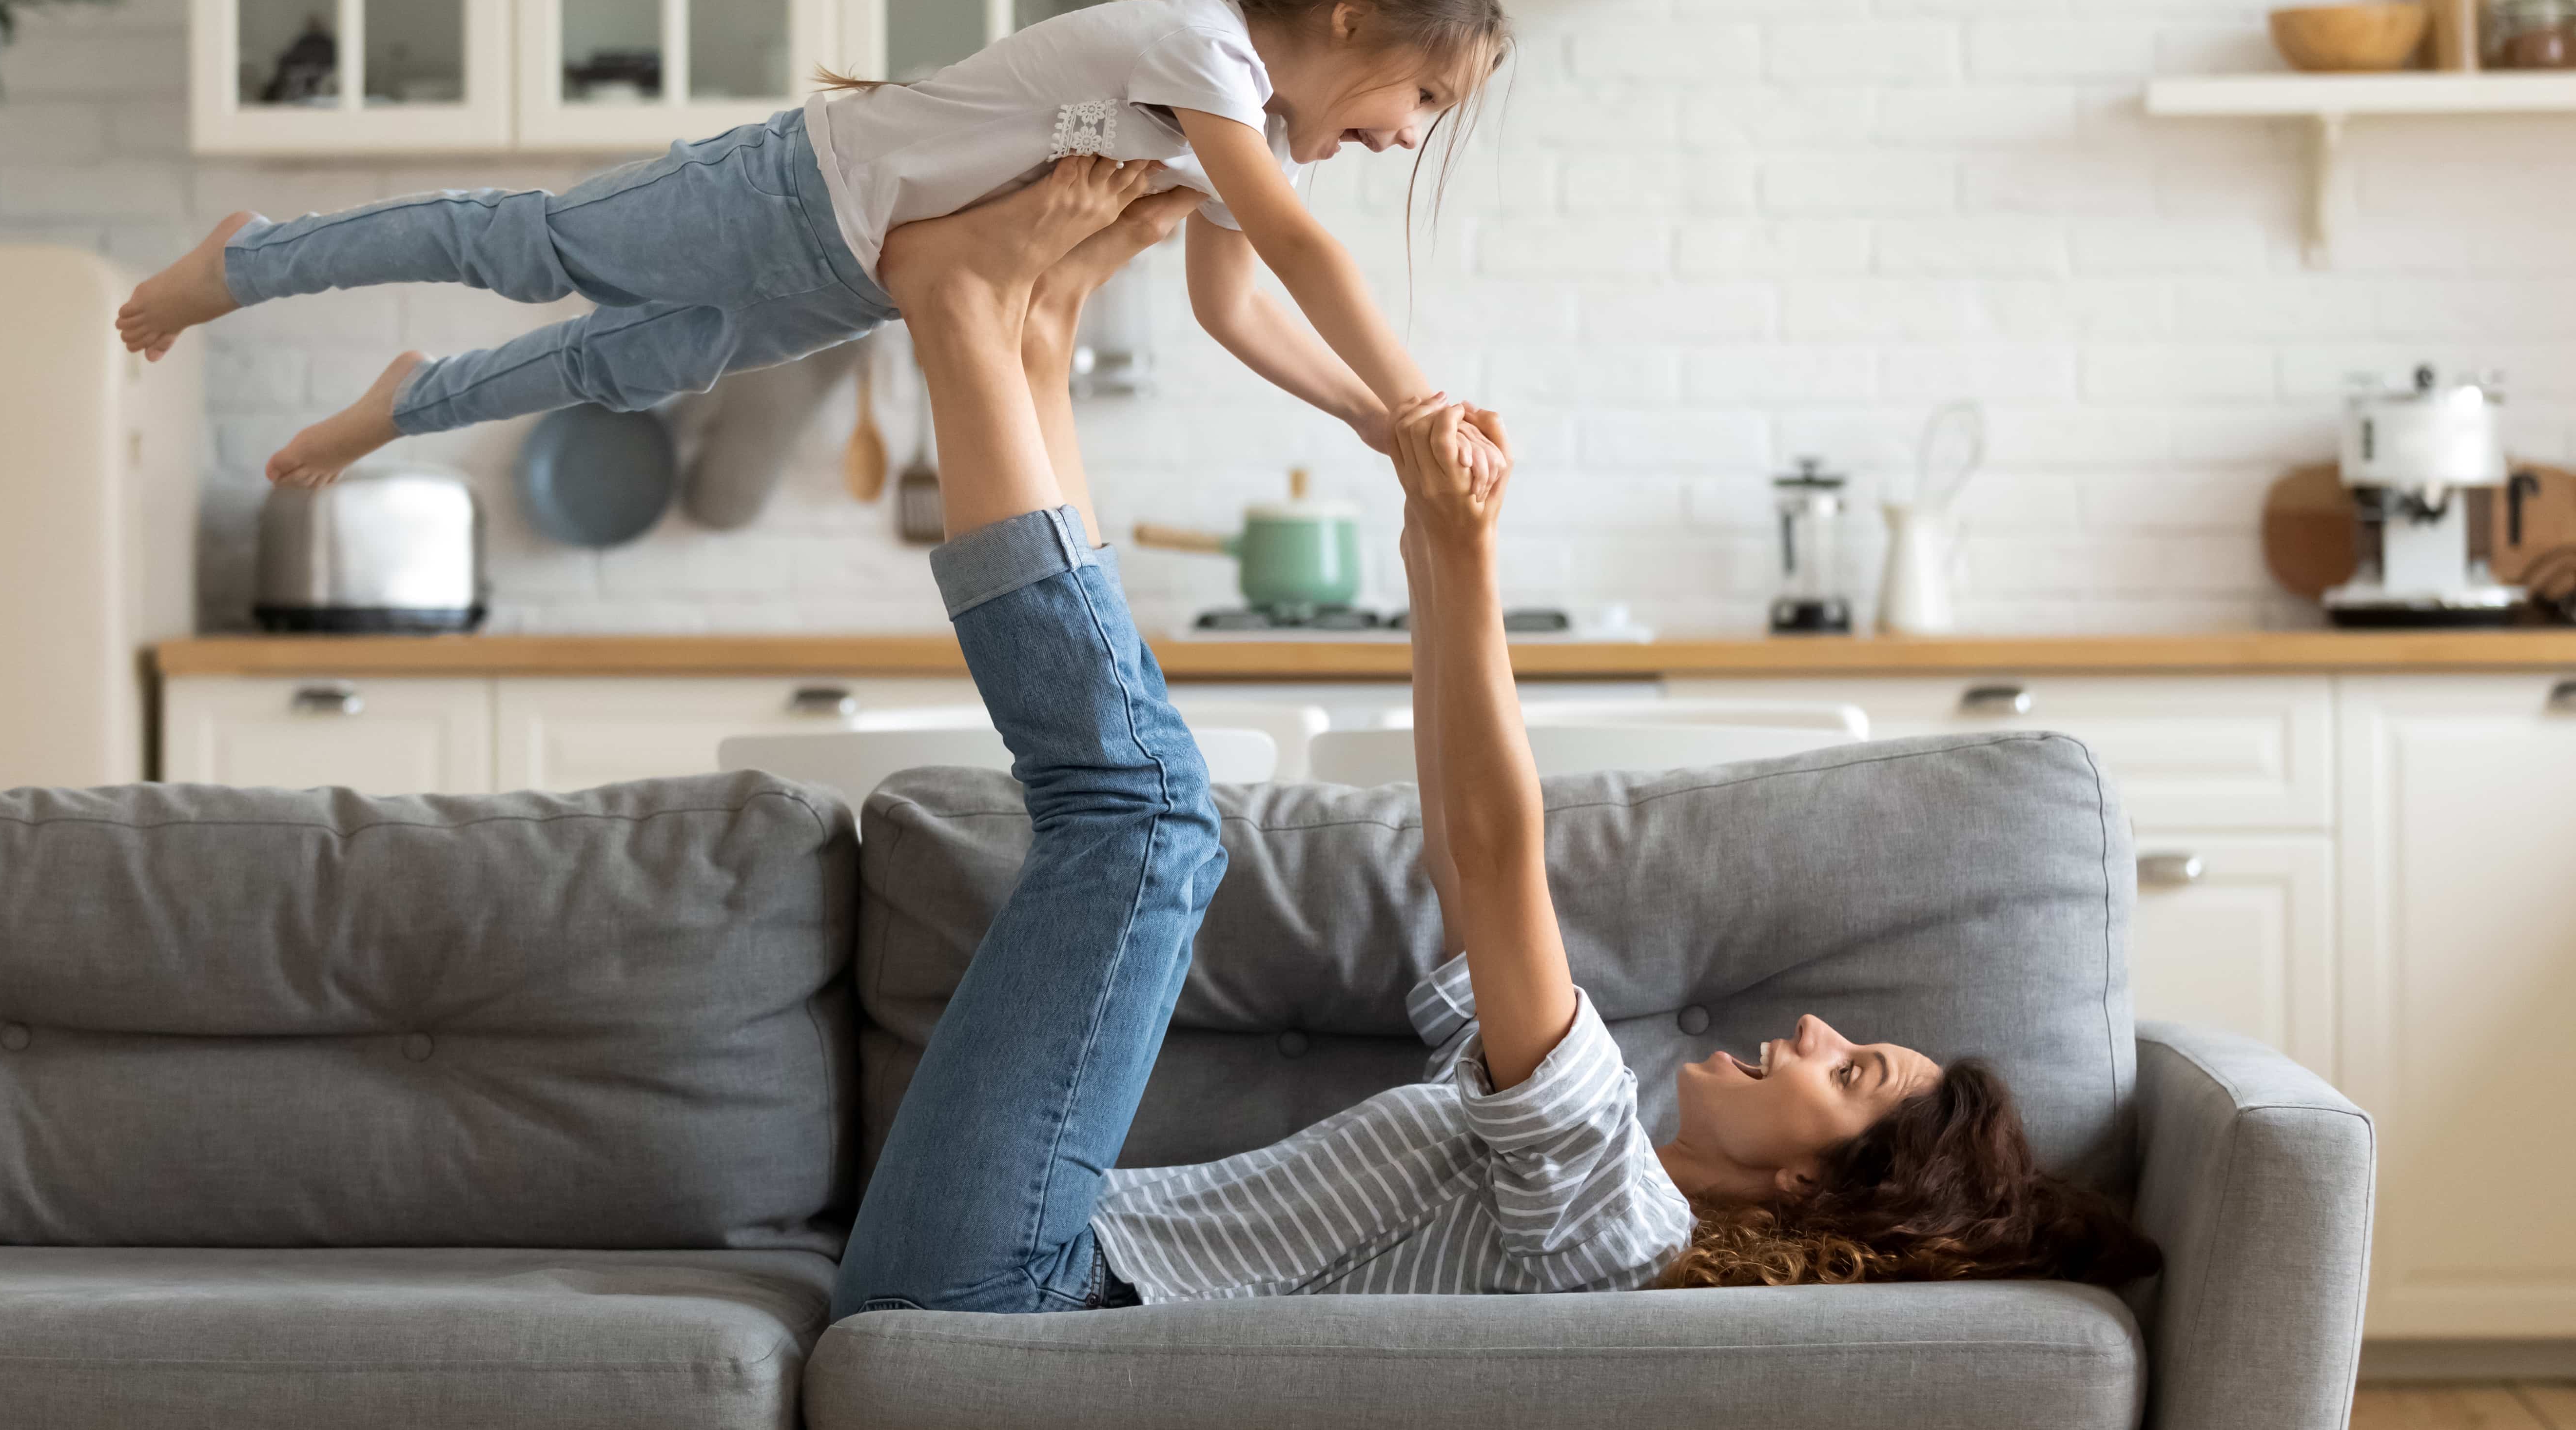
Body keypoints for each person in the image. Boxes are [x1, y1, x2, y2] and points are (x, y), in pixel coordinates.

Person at [833, 161, 2159, 1318]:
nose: (1811, 1028)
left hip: (1011, 1292)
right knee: (1139, 803)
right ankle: (1032, 337)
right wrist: (1427, 552)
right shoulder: (1576, 1154)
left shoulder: (1613, 1217)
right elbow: (1469, 883)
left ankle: (954, 308)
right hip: (1022, 1253)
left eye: (1851, 1070)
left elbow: (1496, 845)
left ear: (1816, 1180)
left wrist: (1463, 552)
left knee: (1143, 815)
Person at [113, 0, 1509, 491]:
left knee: (611, 370)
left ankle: (395, 408)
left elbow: (1239, 313)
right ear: (1346, 21)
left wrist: (1370, 429)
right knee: (531, 249)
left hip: (837, 284)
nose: (1404, 137)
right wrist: (1418, 401)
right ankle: (249, 260)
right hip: (781, 194)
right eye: (1424, 98)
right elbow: (1303, 256)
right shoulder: (1199, 49)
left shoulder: (1223, 141)